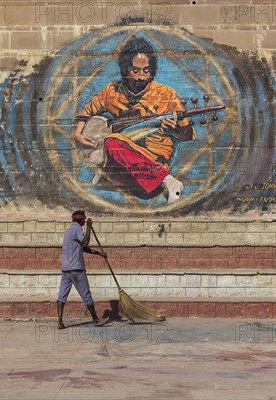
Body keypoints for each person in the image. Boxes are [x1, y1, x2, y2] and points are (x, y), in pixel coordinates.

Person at [73, 37, 196, 203]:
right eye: (135, 70)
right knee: (109, 148)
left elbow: (187, 134)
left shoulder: (166, 94)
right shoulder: (112, 90)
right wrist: (78, 134)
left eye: (146, 70)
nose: (141, 77)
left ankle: (167, 181)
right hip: (124, 169)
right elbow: (87, 111)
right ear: (124, 70)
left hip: (153, 162)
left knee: (111, 142)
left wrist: (175, 130)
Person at [57, 210, 108, 329]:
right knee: (86, 294)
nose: (85, 222)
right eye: (84, 221)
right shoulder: (77, 229)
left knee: (62, 295)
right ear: (81, 220)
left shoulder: (69, 230)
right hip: (77, 268)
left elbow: (83, 247)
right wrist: (89, 227)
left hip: (66, 269)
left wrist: (99, 253)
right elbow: (85, 241)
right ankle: (95, 320)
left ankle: (59, 322)